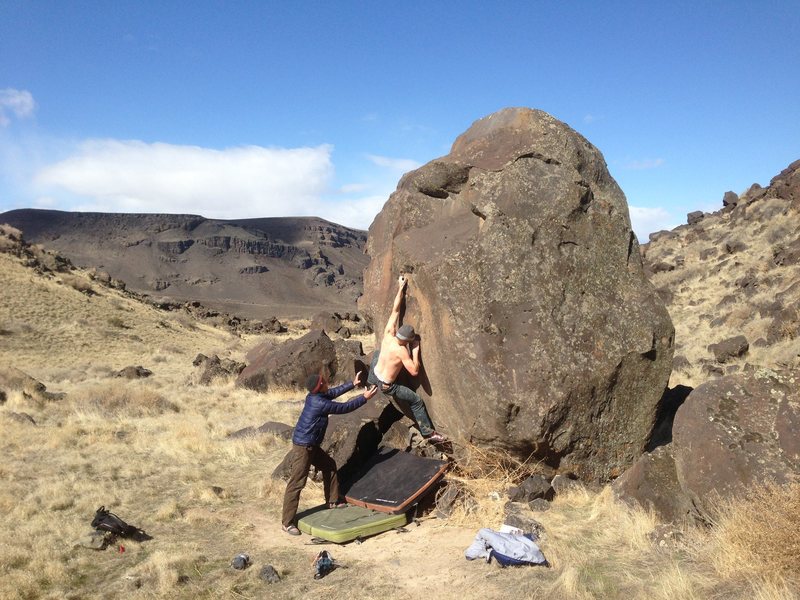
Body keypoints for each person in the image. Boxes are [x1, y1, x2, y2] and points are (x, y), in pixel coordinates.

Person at [281, 371, 378, 536]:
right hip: (304, 447)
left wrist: (352, 384)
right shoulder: (319, 403)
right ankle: (287, 522)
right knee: (297, 483)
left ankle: (332, 501)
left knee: (329, 466)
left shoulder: (315, 396)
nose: (327, 383)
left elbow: (332, 393)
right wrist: (364, 398)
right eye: (324, 382)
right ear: (320, 388)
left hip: (311, 444)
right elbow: (344, 407)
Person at [367, 275, 446, 443]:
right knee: (417, 401)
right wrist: (415, 349)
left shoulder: (389, 333)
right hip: (388, 386)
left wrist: (400, 287)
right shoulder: (403, 351)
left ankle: (370, 381)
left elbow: (395, 310)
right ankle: (429, 433)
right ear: (407, 341)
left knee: (376, 354)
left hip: (376, 372)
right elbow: (414, 371)